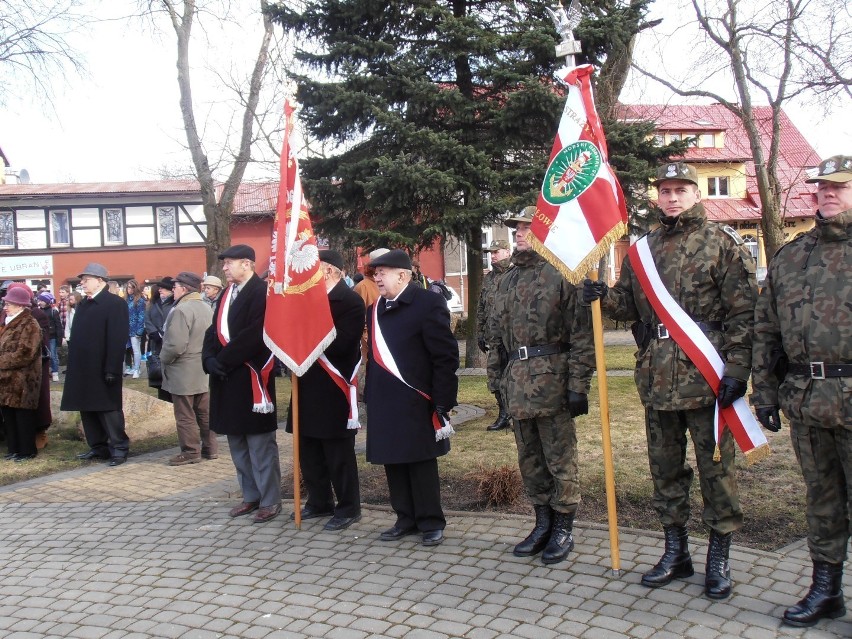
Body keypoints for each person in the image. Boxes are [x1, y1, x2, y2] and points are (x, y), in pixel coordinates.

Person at [583, 161, 758, 598]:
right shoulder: (642, 249)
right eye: (665, 190)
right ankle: (675, 551)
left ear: (696, 195)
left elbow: (743, 315)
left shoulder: (722, 245)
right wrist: (602, 296)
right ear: (656, 196)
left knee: (716, 472)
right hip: (658, 379)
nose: (673, 197)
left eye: (681, 189)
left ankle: (718, 557)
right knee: (665, 471)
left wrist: (737, 370)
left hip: (708, 377)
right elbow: (628, 304)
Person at [751, 154, 852, 627]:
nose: (827, 193)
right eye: (822, 187)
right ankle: (826, 590)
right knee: (822, 500)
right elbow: (766, 331)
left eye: (839, 187)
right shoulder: (792, 256)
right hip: (808, 399)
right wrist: (765, 393)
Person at [488, 206, 593, 565]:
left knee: (559, 457)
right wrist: (497, 387)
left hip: (553, 380)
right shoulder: (507, 280)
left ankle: (564, 525)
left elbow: (582, 334)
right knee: (530, 458)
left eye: (527, 227)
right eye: (516, 228)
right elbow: (498, 340)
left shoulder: (564, 274)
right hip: (517, 382)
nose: (519, 233)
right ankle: (542, 522)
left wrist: (579, 384)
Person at [365, 249, 459, 547]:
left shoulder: (428, 303)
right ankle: (404, 518)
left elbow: (444, 355)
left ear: (403, 275)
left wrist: (443, 399)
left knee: (420, 462)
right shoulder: (375, 309)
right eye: (375, 273)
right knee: (392, 459)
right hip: (385, 398)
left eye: (382, 272)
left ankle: (431, 521)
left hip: (417, 398)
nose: (376, 277)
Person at [286, 250, 365, 530]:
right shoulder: (306, 301)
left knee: (337, 454)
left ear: (329, 271)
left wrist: (311, 328)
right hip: (307, 383)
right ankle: (319, 502)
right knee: (309, 451)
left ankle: (348, 507)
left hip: (333, 386)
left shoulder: (350, 301)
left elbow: (344, 343)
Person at [202, 244, 281, 523]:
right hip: (226, 380)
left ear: (246, 264)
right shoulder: (226, 294)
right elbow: (213, 330)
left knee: (260, 446)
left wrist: (223, 360)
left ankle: (270, 500)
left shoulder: (262, 292)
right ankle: (250, 496)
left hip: (251, 378)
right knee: (237, 443)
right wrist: (208, 358)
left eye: (229, 263)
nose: (224, 268)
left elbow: (256, 334)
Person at [61, 263, 131, 466]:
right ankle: (98, 446)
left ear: (100, 280)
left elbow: (117, 339)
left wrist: (111, 368)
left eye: (86, 279)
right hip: (83, 367)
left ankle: (119, 447)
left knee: (108, 409)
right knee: (87, 408)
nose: (82, 283)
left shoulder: (114, 304)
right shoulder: (84, 304)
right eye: (82, 280)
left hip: (103, 367)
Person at [160, 271, 217, 465]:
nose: (173, 290)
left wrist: (163, 358)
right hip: (203, 368)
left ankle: (191, 451)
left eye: (175, 287)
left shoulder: (181, 310)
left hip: (183, 369)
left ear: (184, 288)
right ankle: (210, 448)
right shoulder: (206, 307)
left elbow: (175, 345)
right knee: (204, 411)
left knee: (185, 414)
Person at [0, 285, 43, 462]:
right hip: (7, 380)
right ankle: (14, 448)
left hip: (24, 380)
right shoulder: (9, 322)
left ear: (19, 305)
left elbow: (25, 353)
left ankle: (27, 450)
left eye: (8, 303)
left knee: (22, 416)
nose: (5, 307)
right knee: (9, 416)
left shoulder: (30, 324)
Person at [477, 239, 514, 432]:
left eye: (496, 252)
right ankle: (504, 414)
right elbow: (482, 306)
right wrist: (480, 331)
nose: (492, 256)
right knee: (494, 376)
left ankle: (517, 415)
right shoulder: (489, 278)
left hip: (512, 337)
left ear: (507, 252)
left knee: (515, 376)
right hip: (493, 337)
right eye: (491, 252)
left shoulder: (515, 274)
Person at [145, 277, 175, 401]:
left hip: (169, 343)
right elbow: (147, 318)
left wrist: (164, 335)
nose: (160, 290)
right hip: (156, 344)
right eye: (160, 288)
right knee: (159, 377)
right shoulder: (154, 303)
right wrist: (153, 332)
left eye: (163, 288)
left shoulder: (175, 303)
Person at [36, 292, 63, 382]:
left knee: (53, 355)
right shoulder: (39, 311)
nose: (40, 302)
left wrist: (59, 339)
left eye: (42, 300)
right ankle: (45, 372)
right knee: (42, 355)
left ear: (47, 301)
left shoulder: (53, 311)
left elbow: (58, 326)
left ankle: (55, 372)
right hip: (41, 337)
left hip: (52, 337)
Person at [124, 279, 146, 379]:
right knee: (128, 349)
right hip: (126, 329)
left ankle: (137, 369)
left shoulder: (140, 300)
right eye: (128, 287)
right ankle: (131, 367)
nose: (129, 289)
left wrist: (139, 330)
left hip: (135, 329)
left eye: (131, 287)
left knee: (136, 350)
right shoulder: (126, 300)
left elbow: (141, 316)